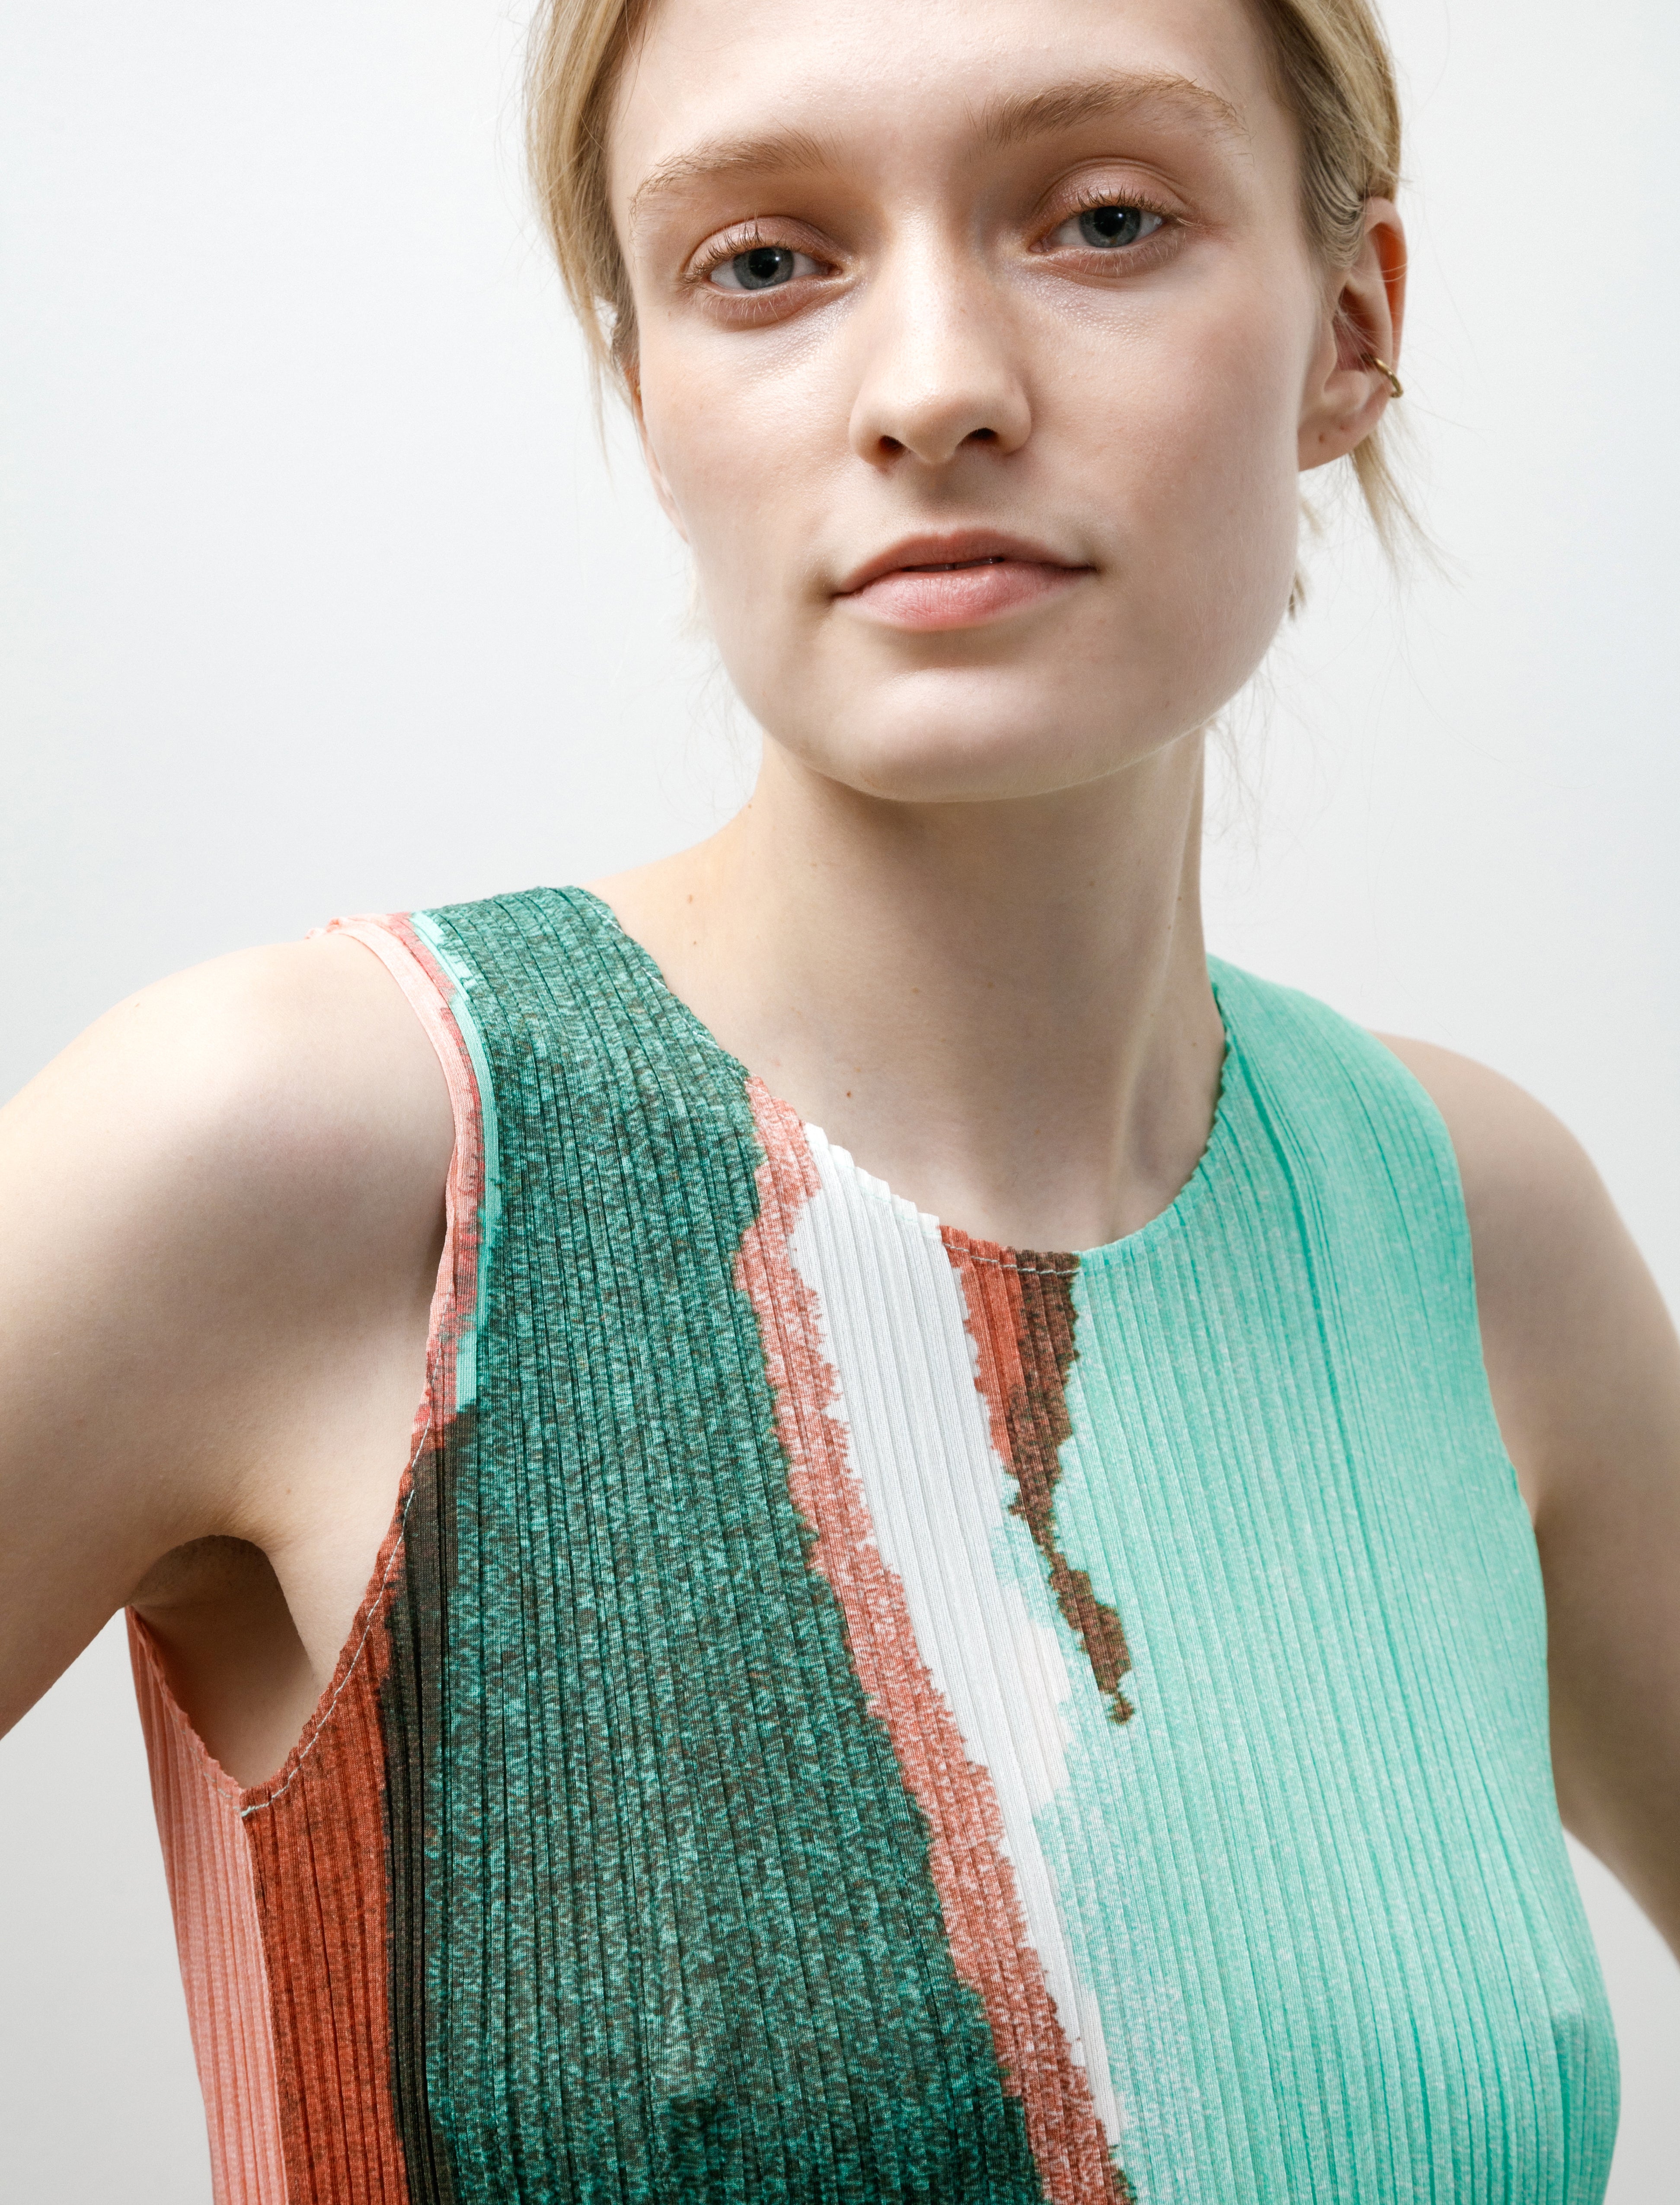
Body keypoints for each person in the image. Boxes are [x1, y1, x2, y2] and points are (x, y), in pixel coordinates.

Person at [2, 0, 1675, 2195]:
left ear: (1352, 328)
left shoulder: (1469, 1233)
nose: (935, 388)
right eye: (768, 264)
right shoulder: (321, 1153)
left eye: (1103, 220)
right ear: (648, 389)